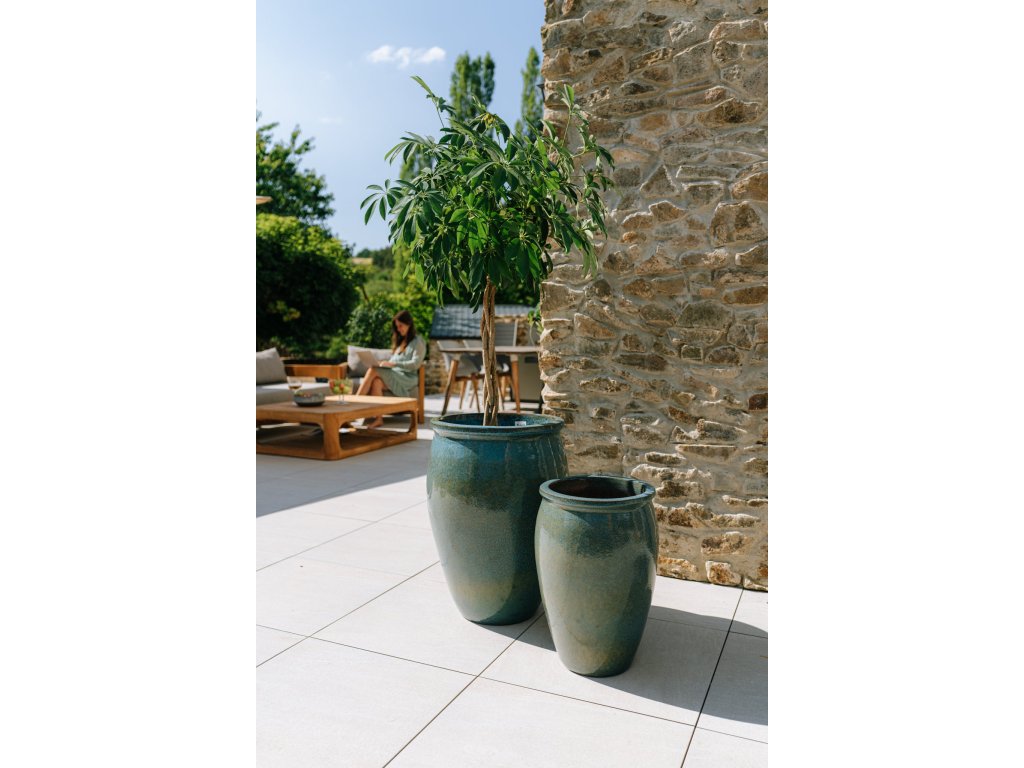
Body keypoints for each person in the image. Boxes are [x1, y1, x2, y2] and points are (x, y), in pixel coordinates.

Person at [355, 310, 426, 428]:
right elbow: (393, 362)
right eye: (397, 327)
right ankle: (379, 419)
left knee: (373, 370)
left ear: (408, 323)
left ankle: (353, 404)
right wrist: (383, 364)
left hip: (407, 377)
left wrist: (393, 364)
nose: (398, 329)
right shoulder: (401, 342)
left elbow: (415, 364)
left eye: (400, 326)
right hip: (395, 374)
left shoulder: (418, 341)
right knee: (377, 382)